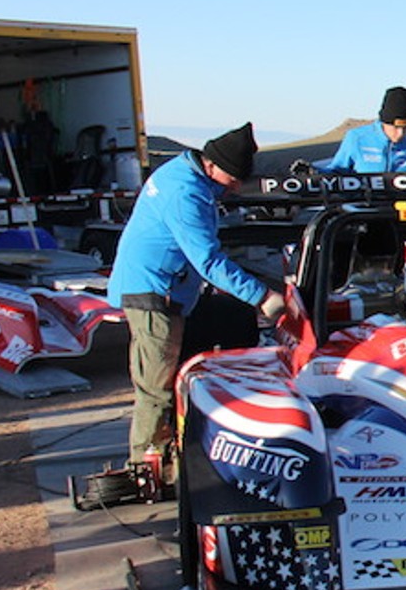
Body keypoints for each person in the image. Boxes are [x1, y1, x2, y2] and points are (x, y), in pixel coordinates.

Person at [107, 123, 286, 472]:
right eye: (232, 180)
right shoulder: (185, 193)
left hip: (163, 287)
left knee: (170, 375)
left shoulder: (186, 176)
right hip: (153, 293)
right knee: (156, 384)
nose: (234, 188)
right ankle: (145, 469)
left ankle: (168, 456)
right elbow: (206, 259)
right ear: (213, 166)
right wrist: (261, 296)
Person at [328, 86, 406, 173]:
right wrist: (315, 172)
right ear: (384, 122)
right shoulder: (357, 138)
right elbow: (335, 172)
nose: (400, 133)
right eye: (396, 127)